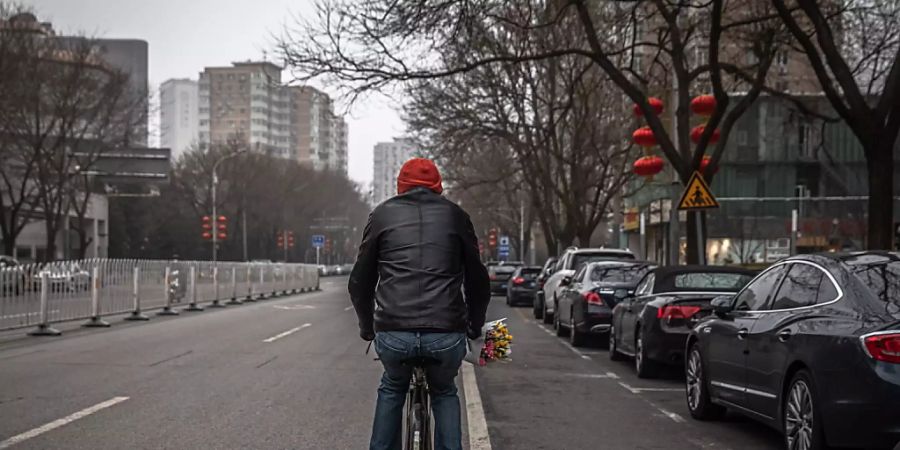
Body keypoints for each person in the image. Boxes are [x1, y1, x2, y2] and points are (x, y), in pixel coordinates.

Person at [349, 157, 491, 450]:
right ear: (438, 186)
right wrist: (475, 327)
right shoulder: (457, 216)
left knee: (392, 386)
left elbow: (360, 281)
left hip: (393, 333)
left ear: (400, 185)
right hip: (446, 334)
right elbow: (478, 280)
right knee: (444, 391)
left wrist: (367, 327)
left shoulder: (381, 215)